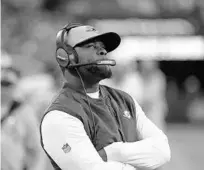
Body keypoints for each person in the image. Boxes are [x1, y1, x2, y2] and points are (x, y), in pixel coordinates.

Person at [40, 23, 171, 170]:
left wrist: (113, 152)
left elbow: (163, 151)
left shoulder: (125, 100)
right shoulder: (60, 114)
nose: (102, 51)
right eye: (91, 46)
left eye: (102, 46)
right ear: (65, 57)